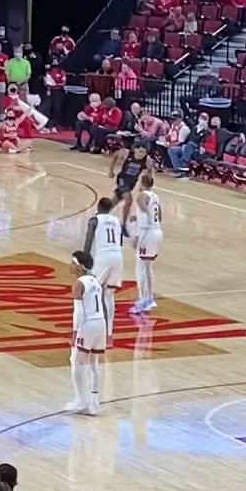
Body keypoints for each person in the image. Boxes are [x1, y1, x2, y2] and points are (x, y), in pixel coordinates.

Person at [67, 250, 105, 416]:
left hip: (87, 324)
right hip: (100, 322)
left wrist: (75, 333)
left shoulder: (79, 283)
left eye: (72, 263)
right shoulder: (95, 281)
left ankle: (81, 401)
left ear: (79, 266)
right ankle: (94, 402)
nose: (70, 266)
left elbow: (79, 312)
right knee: (94, 363)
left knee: (76, 361)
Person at [82, 198, 123, 340]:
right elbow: (120, 241)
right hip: (117, 257)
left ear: (98, 207)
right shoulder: (117, 221)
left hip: (103, 257)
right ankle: (109, 333)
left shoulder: (94, 220)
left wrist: (85, 260)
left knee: (92, 292)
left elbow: (88, 241)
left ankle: (93, 328)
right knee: (109, 295)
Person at [130, 174, 162, 314]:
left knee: (141, 267)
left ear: (142, 183)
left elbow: (144, 212)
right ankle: (149, 298)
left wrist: (137, 235)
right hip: (157, 231)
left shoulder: (141, 196)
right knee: (147, 267)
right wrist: (136, 217)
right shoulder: (155, 196)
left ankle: (144, 300)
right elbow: (158, 216)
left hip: (147, 233)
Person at [109, 142, 152, 238]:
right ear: (135, 150)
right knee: (129, 200)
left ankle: (101, 213)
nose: (142, 154)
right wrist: (111, 170)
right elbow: (115, 154)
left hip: (131, 183)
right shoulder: (127, 153)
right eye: (140, 151)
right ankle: (123, 224)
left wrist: (145, 184)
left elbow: (149, 171)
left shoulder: (147, 160)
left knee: (116, 200)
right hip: (122, 180)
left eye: (144, 152)